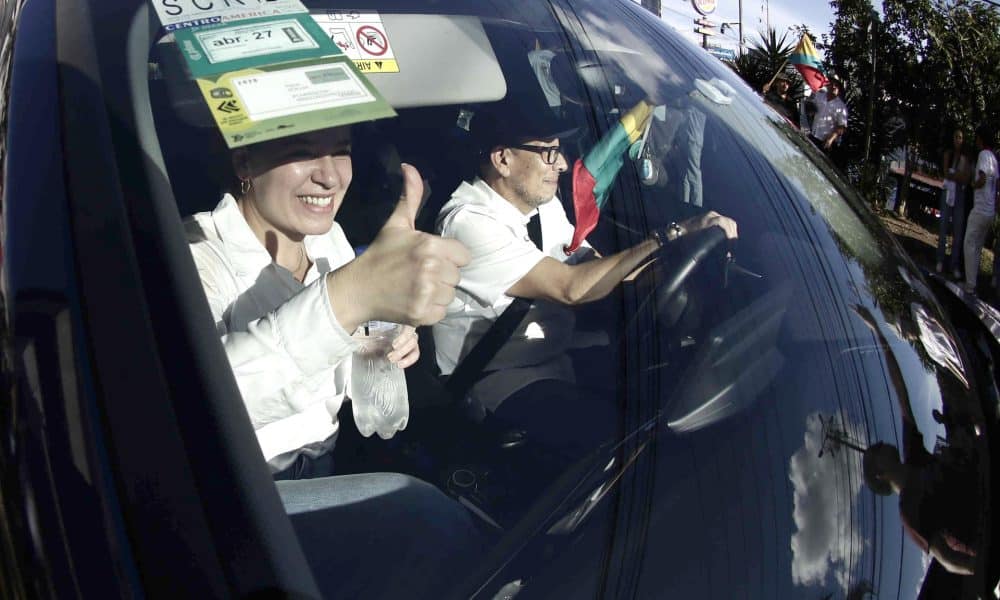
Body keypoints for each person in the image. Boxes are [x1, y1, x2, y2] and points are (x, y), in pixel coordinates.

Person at [186, 126, 484, 597]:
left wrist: (389, 333)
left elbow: (350, 346)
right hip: (239, 492)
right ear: (244, 162)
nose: (330, 176)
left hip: (328, 457)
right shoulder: (194, 254)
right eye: (301, 151)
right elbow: (201, 409)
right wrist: (346, 299)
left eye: (341, 152)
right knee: (426, 520)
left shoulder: (329, 241)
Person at [432, 106, 737, 458]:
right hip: (498, 377)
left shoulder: (540, 205)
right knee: (624, 444)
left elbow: (594, 267)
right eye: (549, 153)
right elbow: (571, 287)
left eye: (559, 151)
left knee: (667, 389)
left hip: (555, 352)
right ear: (503, 159)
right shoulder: (468, 223)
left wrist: (670, 269)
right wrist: (673, 233)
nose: (562, 164)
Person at [863, 442, 980, 576]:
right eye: (878, 448)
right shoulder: (909, 509)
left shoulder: (915, 455)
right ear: (879, 474)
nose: (883, 443)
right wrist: (981, 566)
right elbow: (947, 559)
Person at [961, 124, 998, 294]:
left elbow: (982, 179)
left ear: (981, 139)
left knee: (969, 243)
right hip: (989, 211)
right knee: (976, 247)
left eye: (977, 138)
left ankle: (970, 285)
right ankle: (972, 283)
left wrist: (973, 184)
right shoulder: (994, 159)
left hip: (980, 208)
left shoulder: (983, 155)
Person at [936, 129, 971, 278]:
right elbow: (946, 173)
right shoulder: (948, 154)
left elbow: (966, 178)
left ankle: (954, 265)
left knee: (957, 230)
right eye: (956, 137)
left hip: (959, 194)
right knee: (943, 225)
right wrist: (957, 175)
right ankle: (940, 260)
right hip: (948, 191)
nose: (958, 140)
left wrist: (955, 175)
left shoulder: (965, 158)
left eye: (960, 137)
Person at [806, 78, 848, 159]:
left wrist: (831, 139)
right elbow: (810, 107)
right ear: (828, 85)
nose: (833, 87)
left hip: (824, 142)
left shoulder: (841, 107)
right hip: (812, 135)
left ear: (839, 89)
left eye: (836, 85)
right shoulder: (819, 96)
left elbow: (842, 127)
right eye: (832, 84)